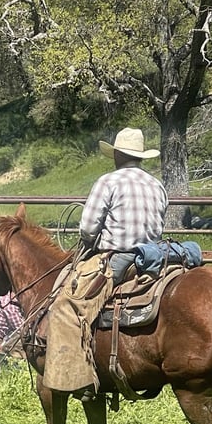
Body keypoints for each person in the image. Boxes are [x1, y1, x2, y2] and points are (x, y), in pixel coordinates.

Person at [44, 127, 167, 400]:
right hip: (153, 256)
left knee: (65, 307)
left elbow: (88, 228)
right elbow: (158, 224)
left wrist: (93, 238)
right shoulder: (156, 184)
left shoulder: (108, 182)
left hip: (118, 257)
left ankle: (80, 379)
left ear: (118, 155)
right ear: (140, 156)